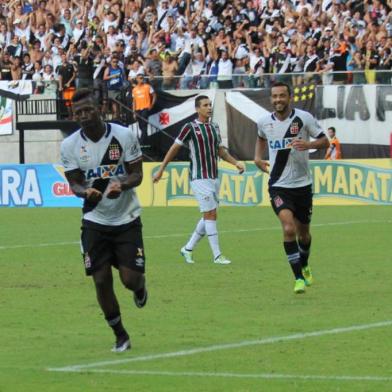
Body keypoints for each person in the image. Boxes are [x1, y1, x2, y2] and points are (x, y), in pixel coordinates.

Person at [60, 88, 148, 353]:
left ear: (100, 108)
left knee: (130, 279)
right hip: (94, 220)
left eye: (88, 110)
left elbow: (137, 175)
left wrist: (122, 184)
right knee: (100, 280)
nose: (84, 116)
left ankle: (140, 288)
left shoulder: (123, 135)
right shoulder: (69, 146)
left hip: (126, 218)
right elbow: (74, 183)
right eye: (79, 113)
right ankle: (120, 335)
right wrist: (84, 191)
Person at [254, 82, 329, 294]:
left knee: (304, 235)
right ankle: (297, 278)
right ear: (271, 99)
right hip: (278, 185)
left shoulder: (303, 118)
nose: (278, 100)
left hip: (303, 186)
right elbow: (260, 139)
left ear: (290, 97)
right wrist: (257, 158)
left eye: (282, 96)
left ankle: (304, 264)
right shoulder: (263, 122)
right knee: (288, 229)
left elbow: (325, 141)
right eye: (275, 96)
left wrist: (309, 145)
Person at [153, 95, 245, 265]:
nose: (209, 107)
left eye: (210, 105)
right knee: (210, 214)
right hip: (199, 177)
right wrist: (161, 169)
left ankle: (187, 249)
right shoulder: (189, 128)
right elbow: (174, 148)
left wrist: (236, 163)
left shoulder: (215, 127)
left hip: (214, 177)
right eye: (205, 105)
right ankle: (217, 255)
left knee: (209, 214)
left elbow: (221, 152)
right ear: (197, 109)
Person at [132, 73, 156, 146]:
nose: (141, 79)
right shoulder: (134, 89)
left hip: (145, 108)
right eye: (140, 78)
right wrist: (133, 112)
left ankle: (142, 142)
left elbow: (154, 95)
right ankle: (145, 140)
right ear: (136, 79)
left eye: (142, 78)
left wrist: (151, 105)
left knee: (144, 125)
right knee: (141, 126)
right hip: (138, 109)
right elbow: (134, 101)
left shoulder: (148, 86)